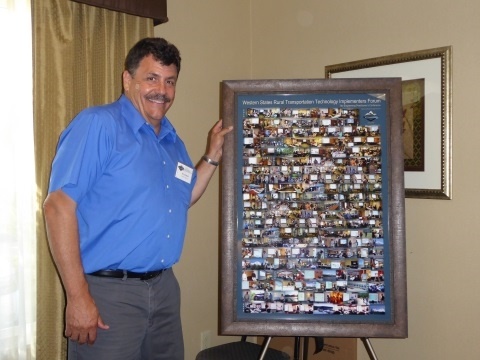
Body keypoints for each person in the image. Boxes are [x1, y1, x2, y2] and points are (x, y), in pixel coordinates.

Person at [43, 37, 233, 360]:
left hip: (164, 290)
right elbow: (58, 207)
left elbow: (182, 198)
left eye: (170, 81)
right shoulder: (99, 125)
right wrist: (77, 297)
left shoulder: (172, 141)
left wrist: (212, 155)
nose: (162, 89)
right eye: (152, 78)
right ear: (127, 79)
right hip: (110, 294)